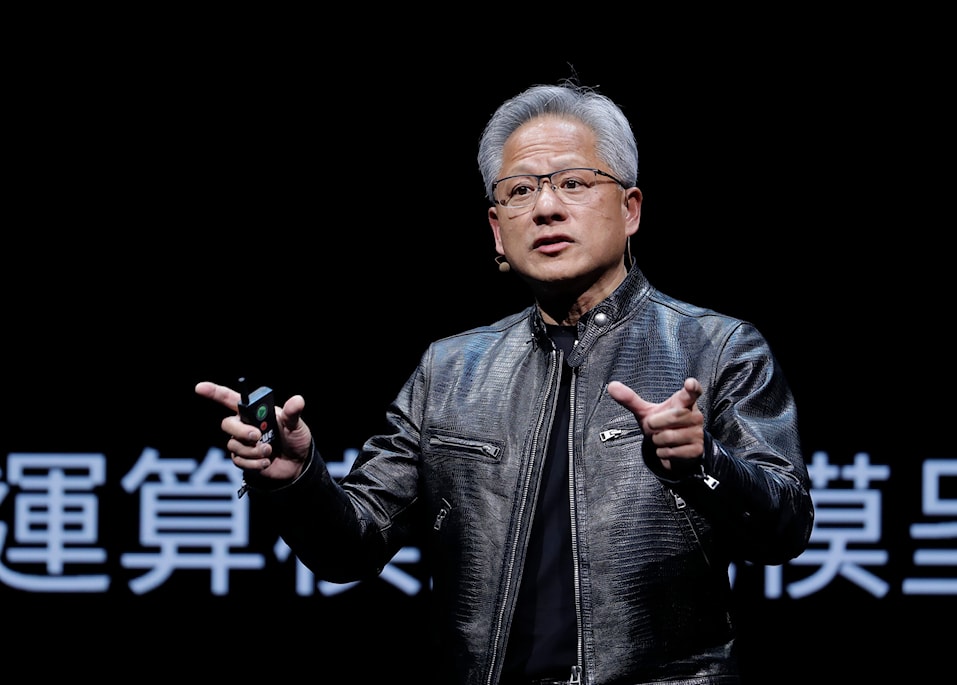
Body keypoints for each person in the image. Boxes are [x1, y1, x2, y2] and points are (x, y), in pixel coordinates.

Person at [195, 80, 814, 685]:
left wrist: (702, 462)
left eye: (573, 183)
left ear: (630, 210)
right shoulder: (449, 370)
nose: (545, 208)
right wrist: (298, 481)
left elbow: (785, 528)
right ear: (497, 230)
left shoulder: (718, 347)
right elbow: (350, 549)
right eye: (520, 191)